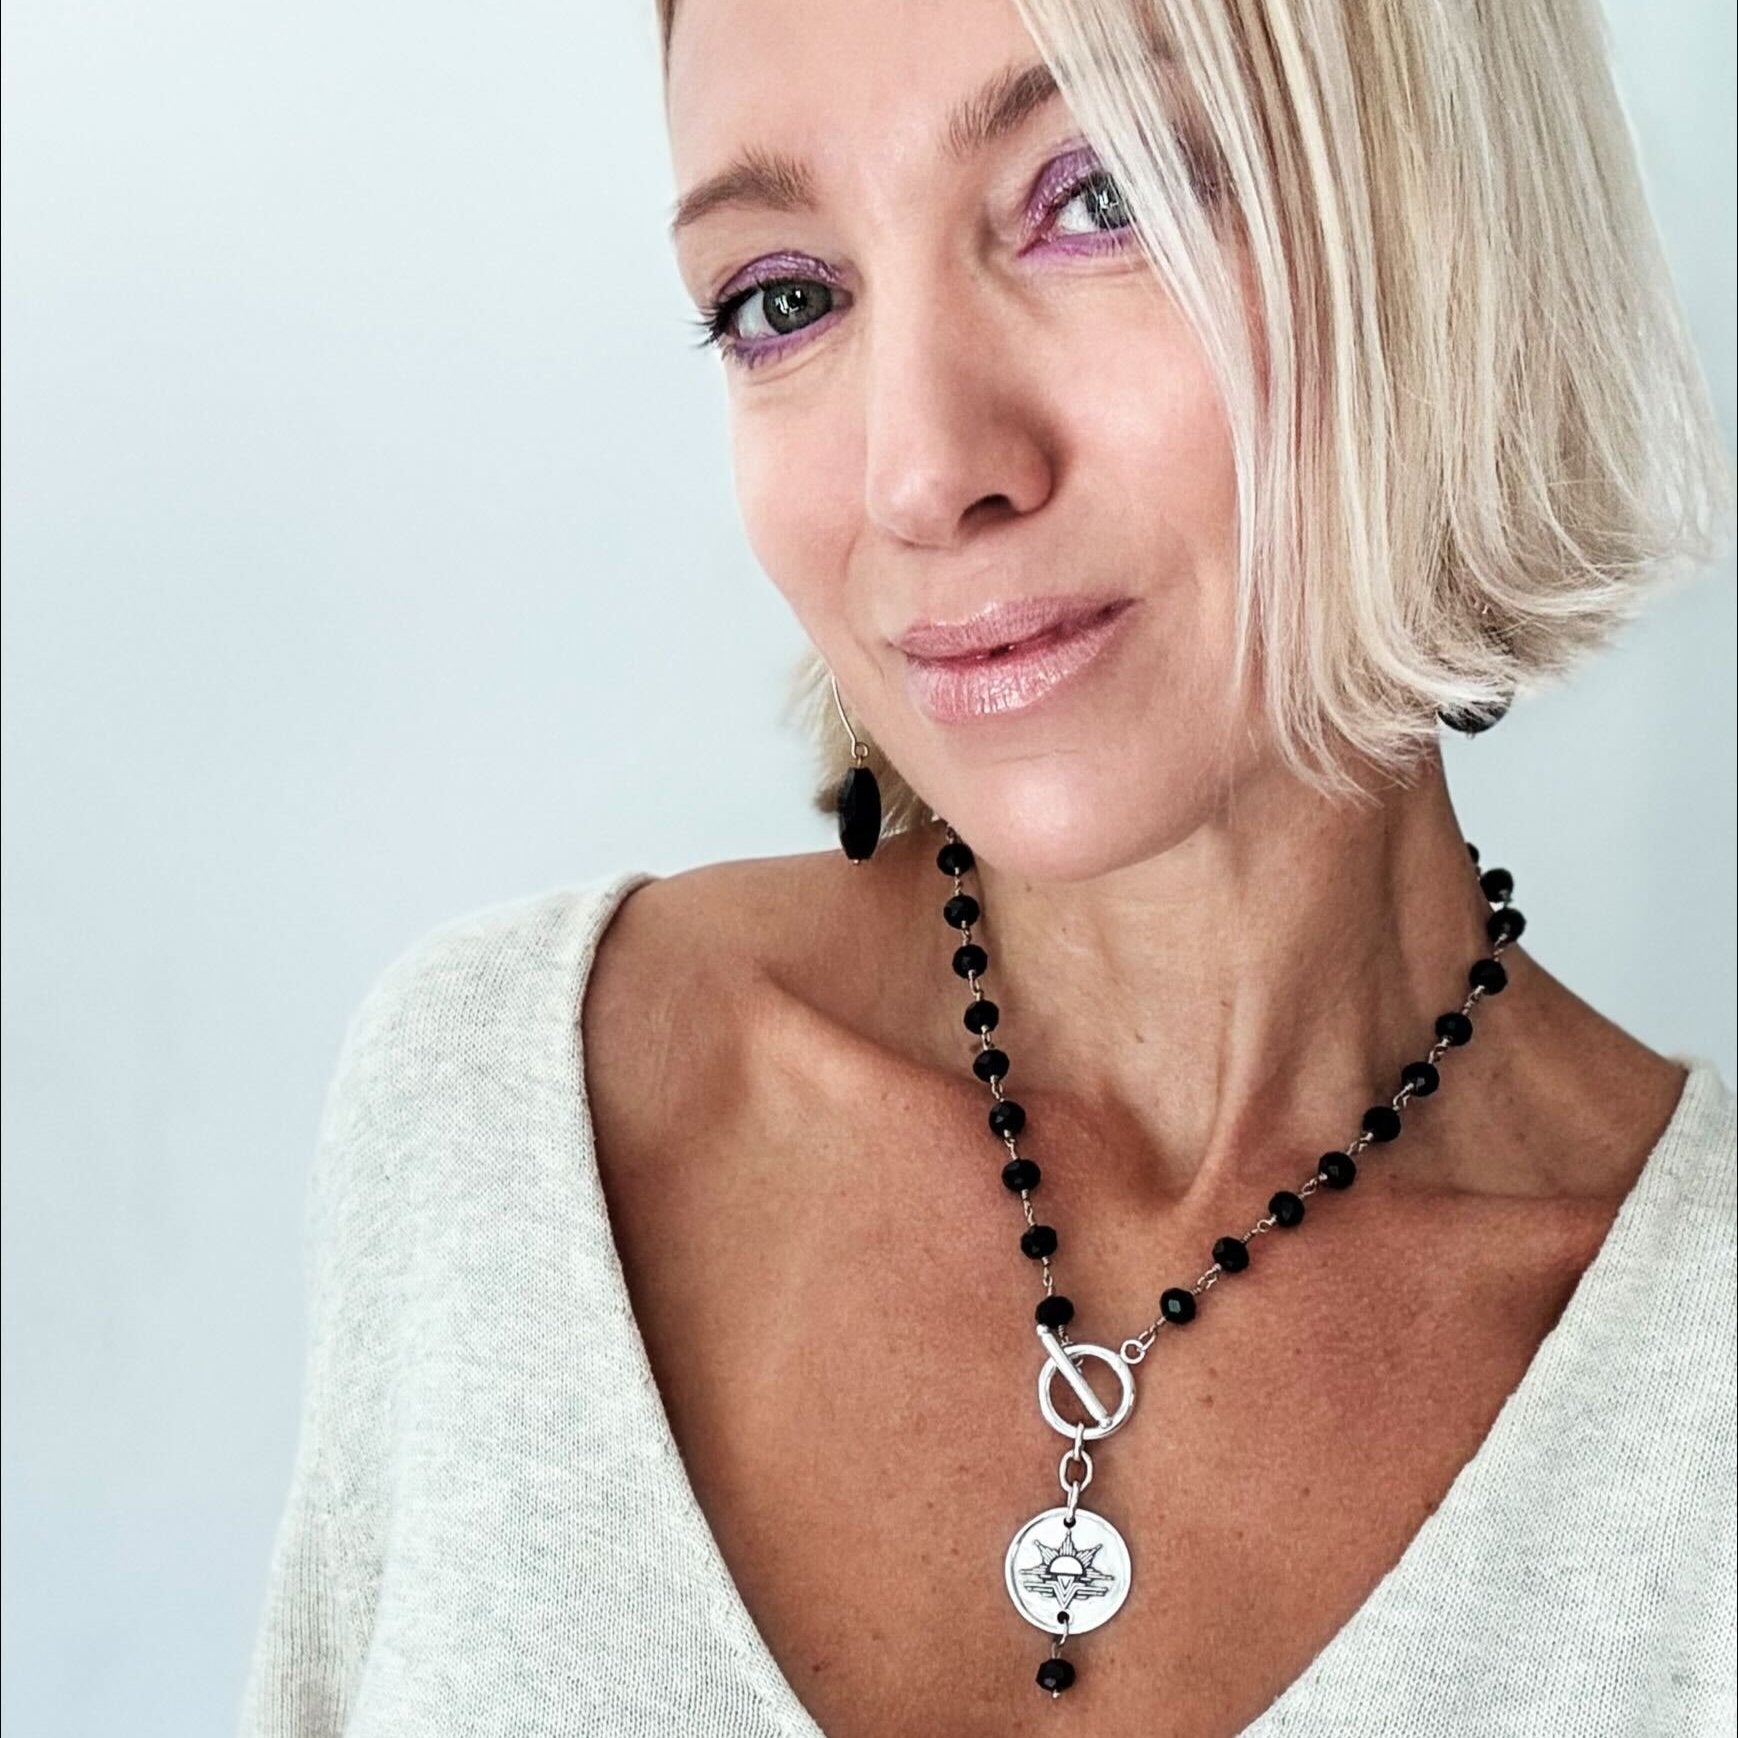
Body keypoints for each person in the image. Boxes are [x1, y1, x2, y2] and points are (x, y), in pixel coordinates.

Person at [238, 0, 1736, 1733]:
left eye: (1097, 197)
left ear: (1433, 222)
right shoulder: (497, 1114)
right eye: (782, 298)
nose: (921, 472)